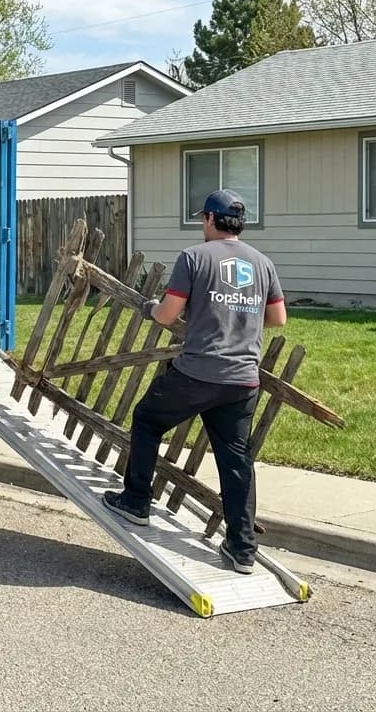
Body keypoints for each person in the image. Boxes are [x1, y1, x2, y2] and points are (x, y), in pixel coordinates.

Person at [102, 189, 287, 575]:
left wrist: (149, 307)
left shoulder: (194, 257)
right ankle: (242, 548)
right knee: (236, 460)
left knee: (148, 418)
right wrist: (239, 315)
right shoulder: (262, 263)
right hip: (242, 381)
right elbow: (277, 318)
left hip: (199, 372)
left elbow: (168, 315)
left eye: (202, 218)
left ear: (208, 219)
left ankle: (136, 501)